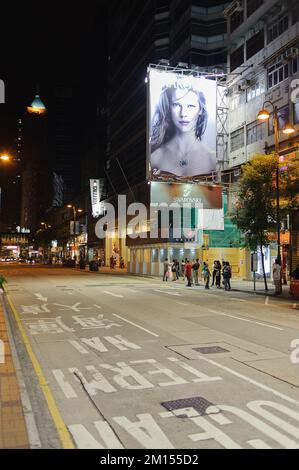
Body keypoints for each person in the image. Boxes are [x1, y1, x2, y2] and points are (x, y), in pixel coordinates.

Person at [150, 81, 216, 178]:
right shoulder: (156, 158)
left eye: (190, 106)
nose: (183, 113)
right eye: (176, 105)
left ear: (201, 110)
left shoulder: (212, 159)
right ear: (169, 108)